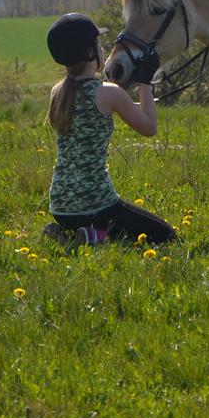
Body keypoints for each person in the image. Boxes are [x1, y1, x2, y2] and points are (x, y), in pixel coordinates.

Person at [42, 13, 175, 248]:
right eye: (98, 44)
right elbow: (149, 127)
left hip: (60, 206)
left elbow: (123, 106)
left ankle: (69, 234)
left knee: (119, 226)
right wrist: (145, 81)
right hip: (96, 205)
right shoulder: (109, 93)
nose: (103, 49)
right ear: (90, 52)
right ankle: (95, 236)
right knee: (165, 235)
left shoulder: (58, 92)